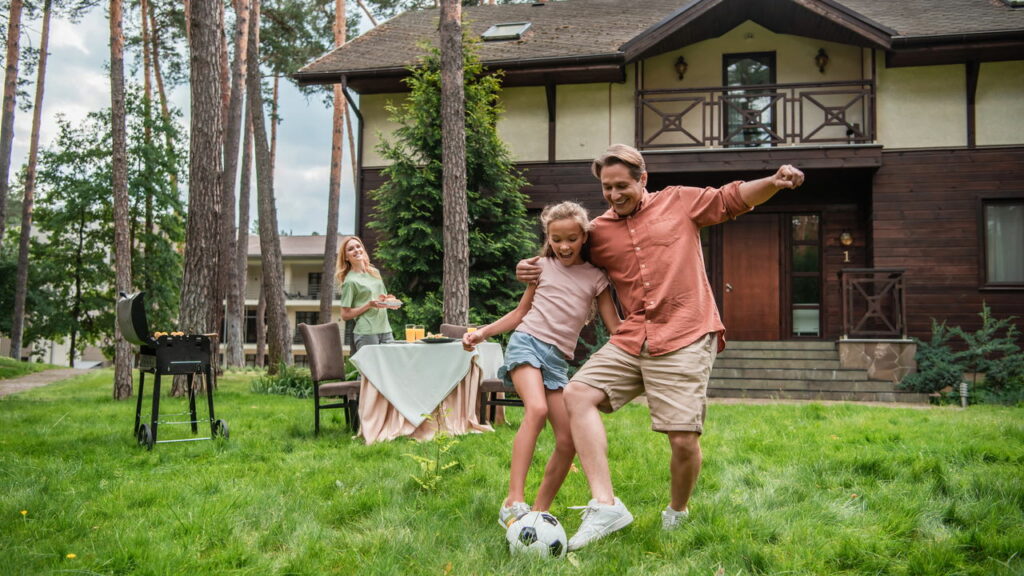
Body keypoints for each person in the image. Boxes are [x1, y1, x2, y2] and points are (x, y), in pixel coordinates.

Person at [516, 144, 804, 551]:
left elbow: (731, 197)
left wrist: (774, 182)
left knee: (683, 439)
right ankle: (605, 504)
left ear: (642, 179)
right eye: (607, 188)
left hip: (686, 331)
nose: (614, 194)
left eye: (622, 186)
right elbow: (564, 250)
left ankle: (677, 511)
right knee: (577, 394)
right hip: (633, 335)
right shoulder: (598, 232)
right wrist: (528, 266)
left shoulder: (680, 202)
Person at [461, 201, 621, 529]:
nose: (564, 246)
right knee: (536, 410)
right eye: (557, 238)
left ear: (583, 237)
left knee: (569, 440)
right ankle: (513, 499)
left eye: (572, 239)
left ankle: (536, 513)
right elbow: (520, 313)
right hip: (527, 343)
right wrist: (481, 333)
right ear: (548, 236)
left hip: (557, 362)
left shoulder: (596, 278)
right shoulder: (541, 268)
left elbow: (616, 328)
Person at [336, 235, 401, 353]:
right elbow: (345, 315)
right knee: (369, 371)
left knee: (390, 369)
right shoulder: (350, 281)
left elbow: (382, 299)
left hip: (386, 330)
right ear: (346, 257)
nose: (356, 250)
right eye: (351, 249)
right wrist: (368, 305)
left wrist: (390, 302)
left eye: (358, 246)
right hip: (366, 333)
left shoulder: (374, 272)